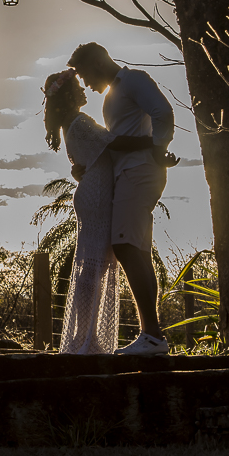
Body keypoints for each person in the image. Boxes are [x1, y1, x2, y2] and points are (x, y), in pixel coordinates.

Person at [68, 43, 177, 356]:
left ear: (99, 63)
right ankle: (151, 335)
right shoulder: (112, 95)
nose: (86, 83)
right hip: (128, 174)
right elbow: (113, 143)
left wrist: (157, 147)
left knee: (126, 247)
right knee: (137, 249)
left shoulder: (134, 81)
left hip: (139, 172)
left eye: (86, 74)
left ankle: (152, 336)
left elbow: (163, 112)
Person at [42, 69, 157, 354]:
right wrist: (153, 143)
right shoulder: (79, 122)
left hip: (95, 191)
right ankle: (85, 337)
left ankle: (88, 336)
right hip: (96, 195)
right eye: (78, 87)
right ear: (67, 95)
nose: (83, 90)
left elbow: (93, 155)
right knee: (92, 267)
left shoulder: (73, 123)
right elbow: (114, 143)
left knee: (93, 265)